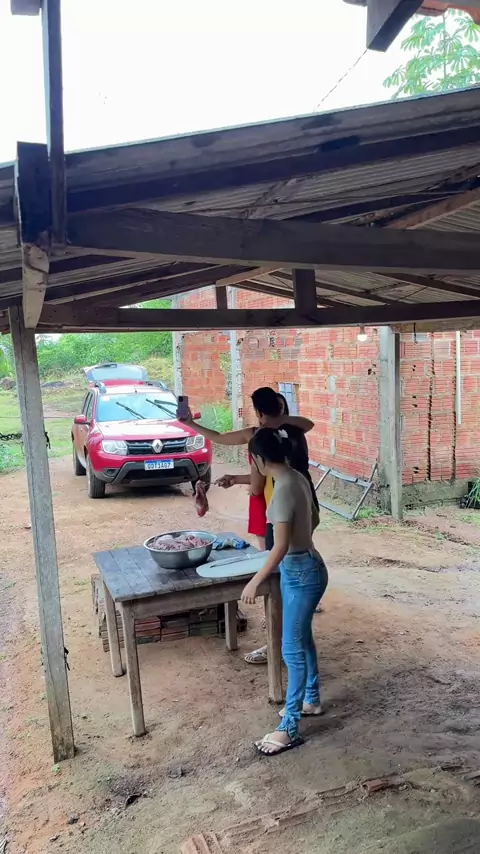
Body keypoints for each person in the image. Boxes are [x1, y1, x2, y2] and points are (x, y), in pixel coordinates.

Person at [240, 427, 328, 756]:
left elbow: (279, 547)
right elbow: (314, 519)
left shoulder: (281, 491)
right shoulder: (297, 477)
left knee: (290, 649)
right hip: (307, 565)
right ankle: (311, 699)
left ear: (258, 460)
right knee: (302, 639)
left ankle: (289, 728)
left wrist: (255, 580)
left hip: (302, 573)